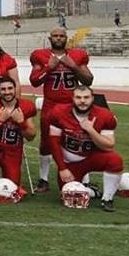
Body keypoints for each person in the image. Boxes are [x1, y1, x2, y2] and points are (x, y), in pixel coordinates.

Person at [28, 27, 93, 192]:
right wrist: (49, 67)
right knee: (46, 143)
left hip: (73, 106)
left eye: (61, 36)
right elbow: (34, 81)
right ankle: (43, 179)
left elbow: (88, 80)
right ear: (50, 39)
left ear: (66, 38)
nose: (58, 38)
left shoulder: (77, 55)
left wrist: (74, 67)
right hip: (51, 104)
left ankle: (85, 180)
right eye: (55, 36)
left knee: (80, 141)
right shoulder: (40, 55)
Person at [48, 86, 124, 211]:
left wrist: (91, 130)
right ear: (72, 98)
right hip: (70, 163)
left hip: (91, 157)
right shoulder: (59, 112)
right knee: (69, 195)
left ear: (92, 98)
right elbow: (53, 142)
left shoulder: (104, 115)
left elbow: (109, 145)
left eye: (86, 97)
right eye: (78, 97)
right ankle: (93, 192)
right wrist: (62, 168)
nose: (82, 101)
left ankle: (107, 198)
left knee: (115, 160)